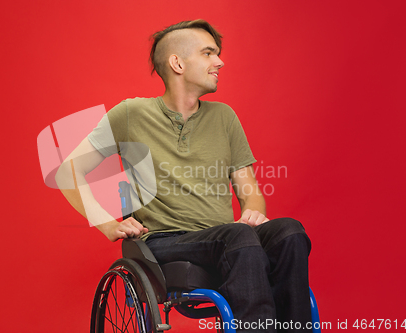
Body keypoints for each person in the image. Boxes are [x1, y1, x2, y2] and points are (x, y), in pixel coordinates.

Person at [56, 19, 312, 332]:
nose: (220, 61)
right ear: (177, 63)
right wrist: (107, 223)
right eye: (209, 53)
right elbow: (69, 170)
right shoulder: (131, 114)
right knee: (238, 237)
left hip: (226, 238)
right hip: (164, 241)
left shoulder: (225, 118)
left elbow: (250, 191)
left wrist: (254, 212)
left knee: (290, 232)